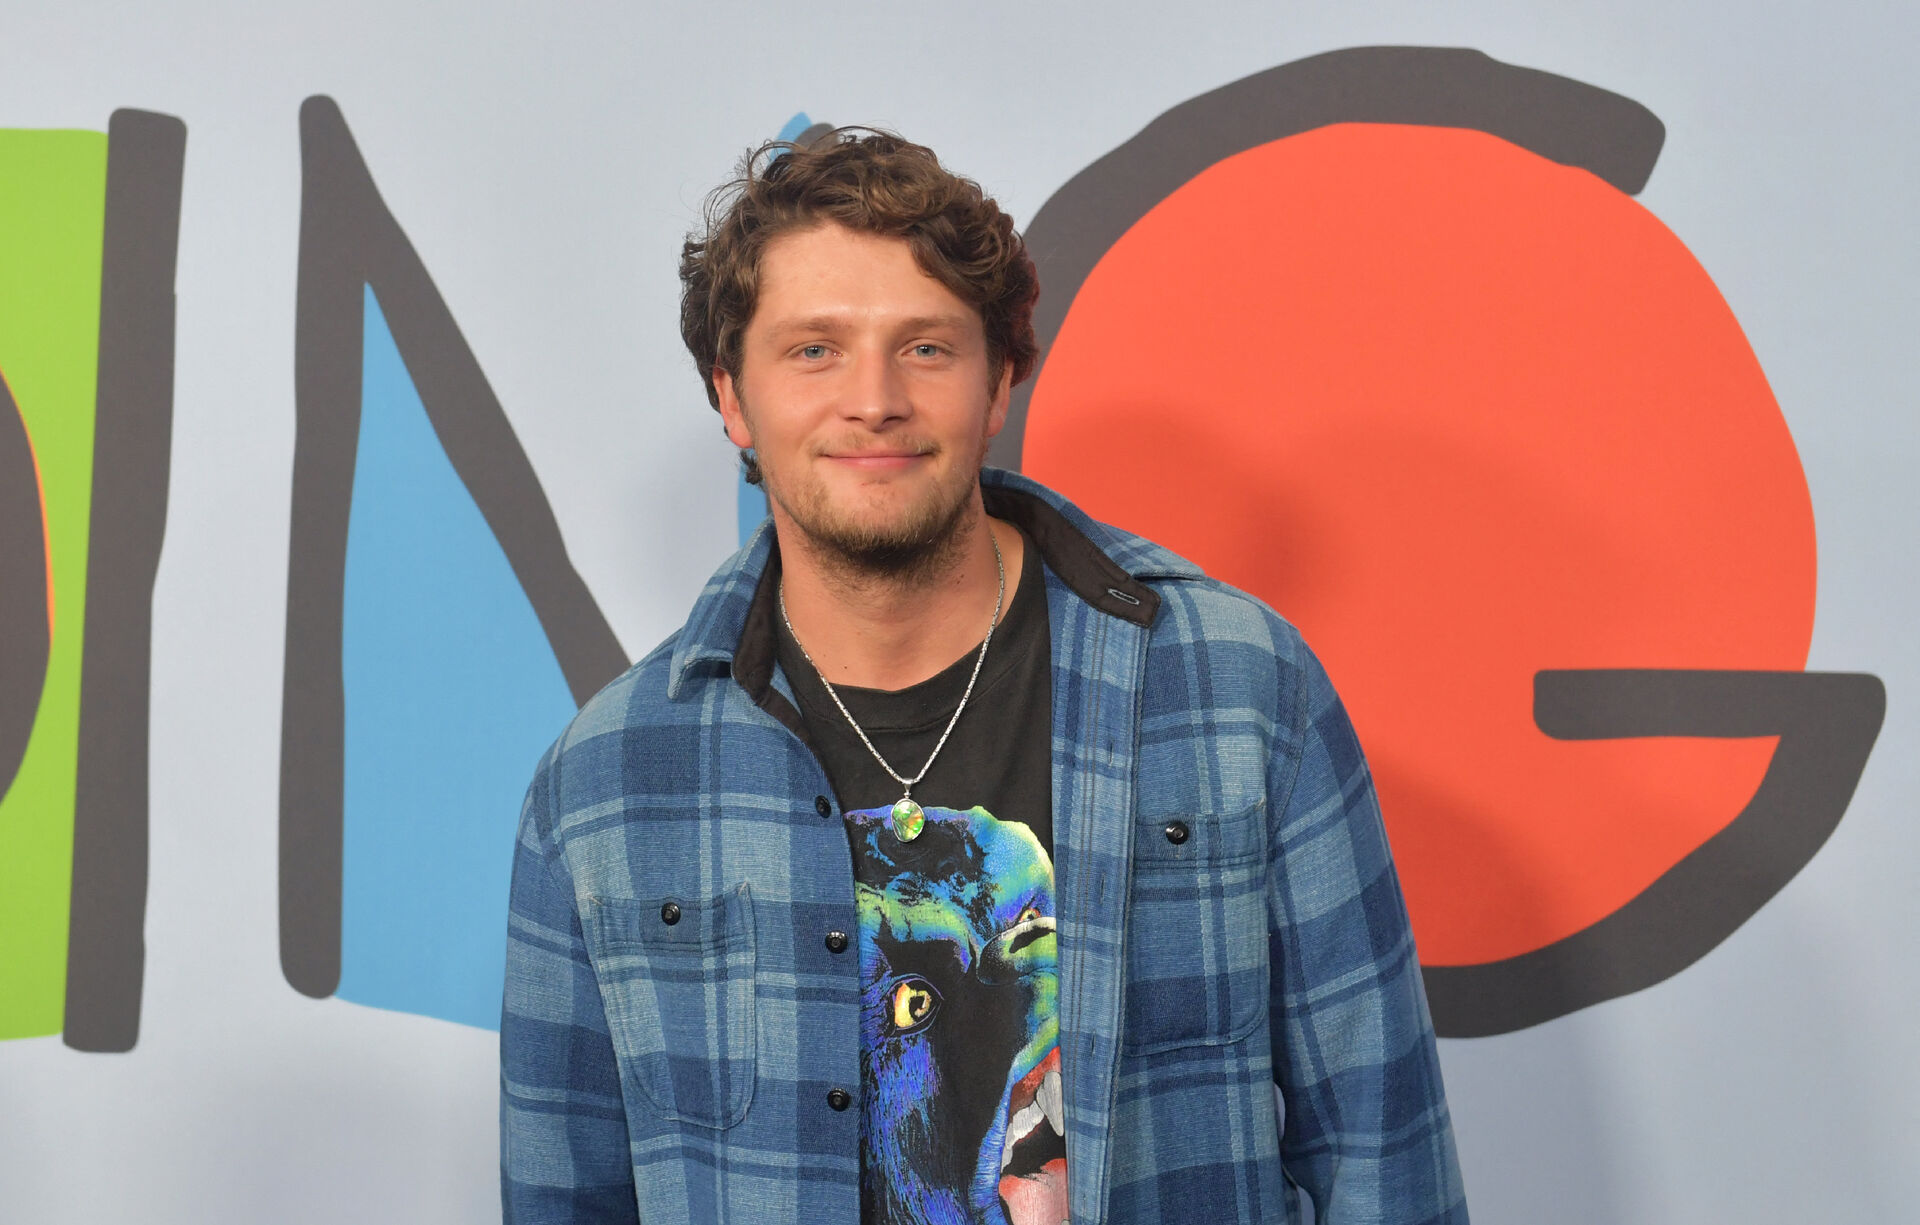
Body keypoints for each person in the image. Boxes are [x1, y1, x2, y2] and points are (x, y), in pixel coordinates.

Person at [500, 127, 1467, 1225]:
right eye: (814, 350)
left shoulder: (1240, 691)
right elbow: (562, 1198)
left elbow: (1386, 1159)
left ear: (998, 380)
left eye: (925, 347)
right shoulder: (606, 787)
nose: (874, 400)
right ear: (734, 397)